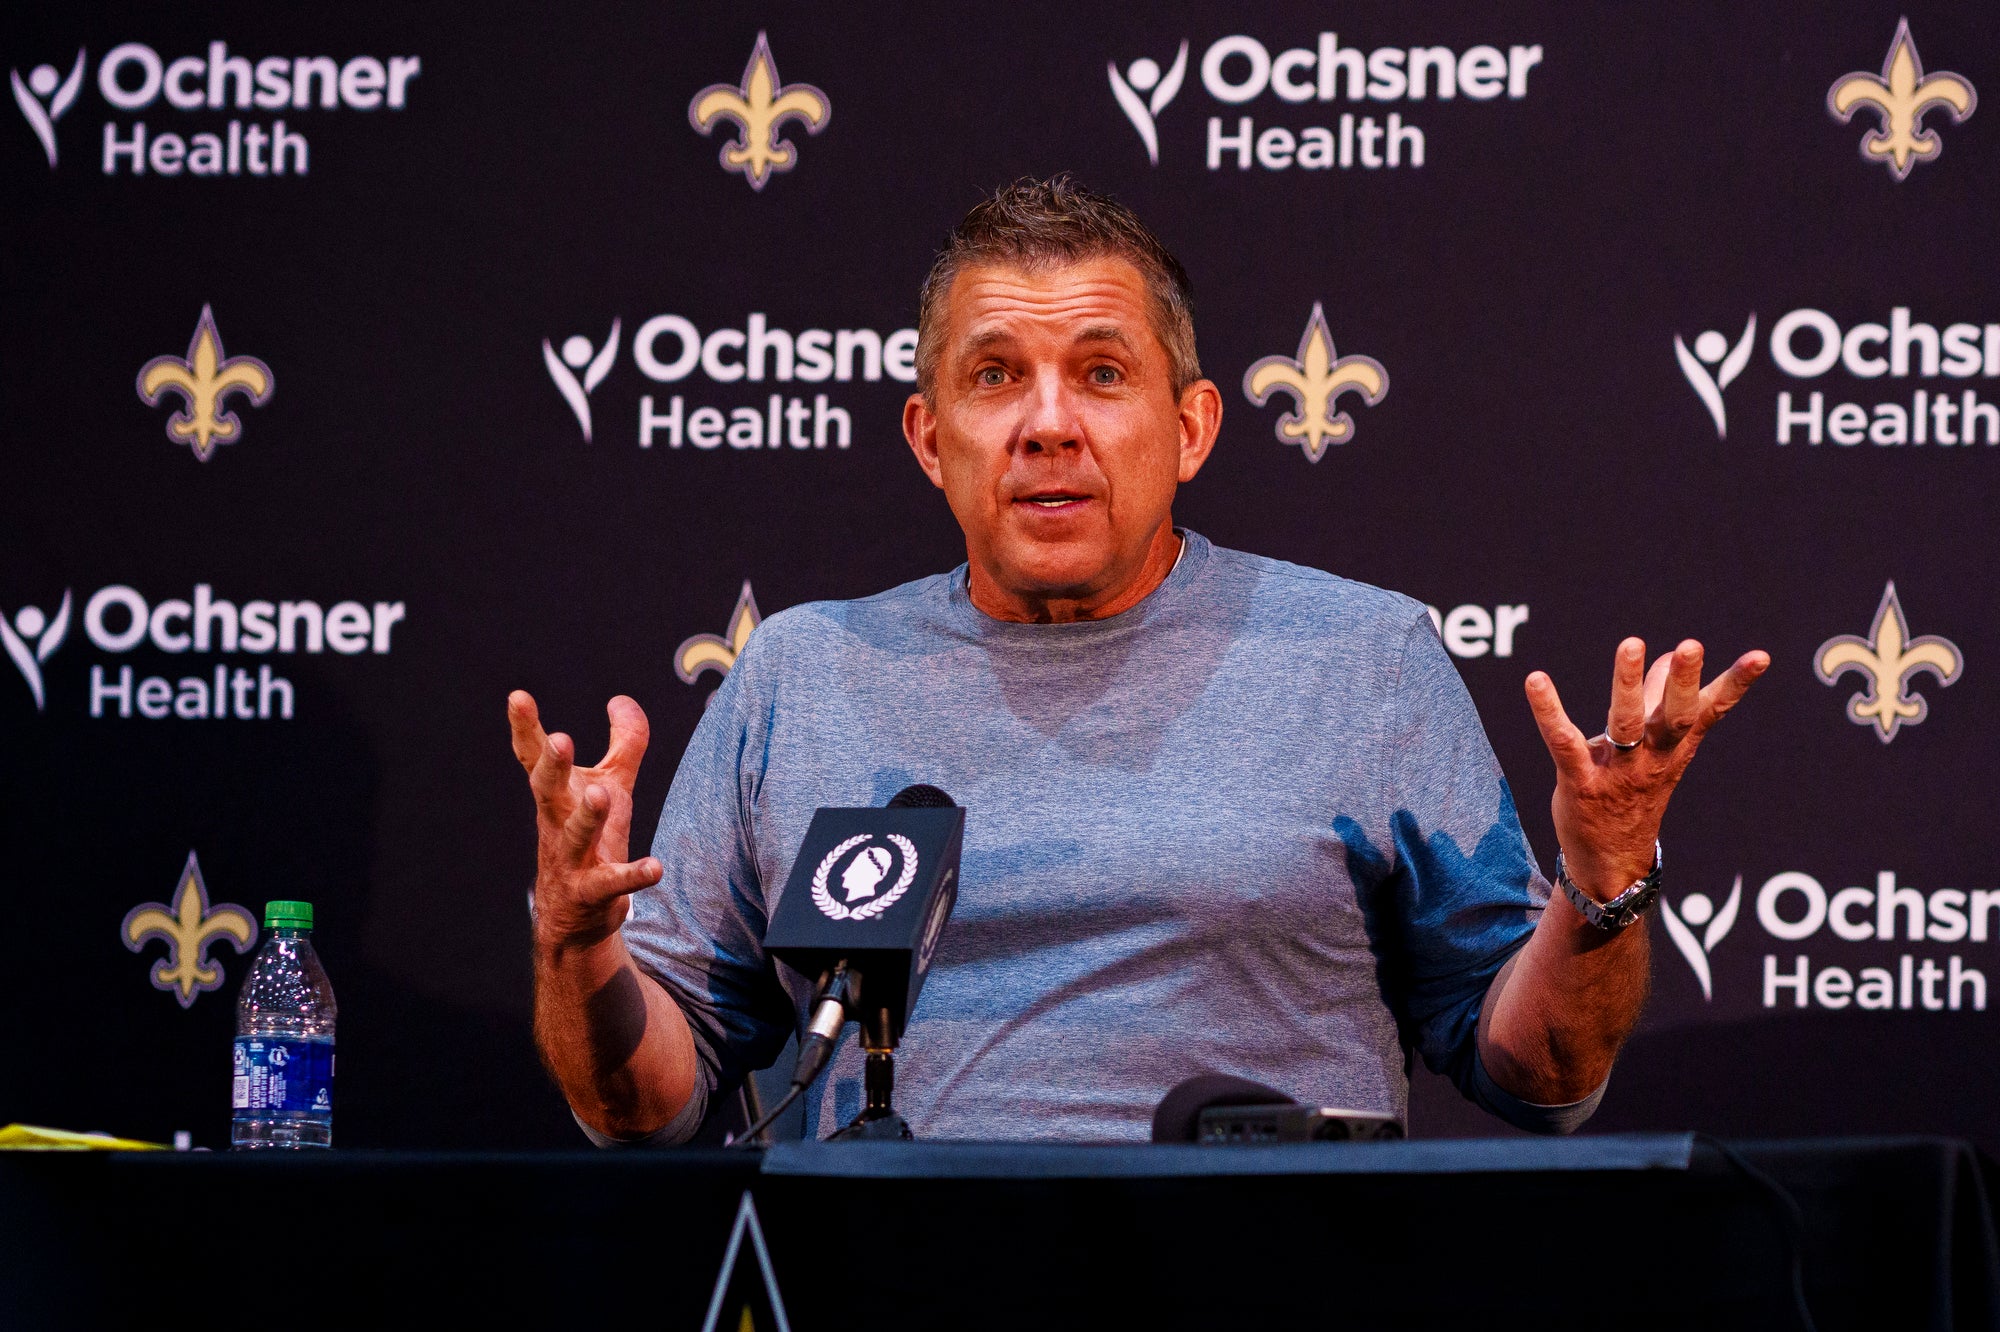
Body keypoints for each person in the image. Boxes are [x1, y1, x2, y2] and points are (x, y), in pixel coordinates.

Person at [508, 178, 1768, 1144]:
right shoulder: (799, 673)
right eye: (994, 376)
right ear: (925, 437)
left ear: (1190, 426)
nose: (1046, 423)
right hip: (888, 1285)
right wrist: (576, 944)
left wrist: (1602, 887)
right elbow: (642, 1108)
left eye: (1099, 373)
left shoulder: (1359, 657)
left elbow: (1537, 1078)